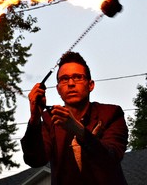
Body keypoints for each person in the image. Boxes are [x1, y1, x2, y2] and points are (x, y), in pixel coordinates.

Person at [21, 51, 128, 185]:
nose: (71, 83)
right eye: (64, 79)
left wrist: (78, 130)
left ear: (90, 85)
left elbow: (112, 157)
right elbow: (35, 160)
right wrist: (34, 119)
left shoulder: (111, 113)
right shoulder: (50, 119)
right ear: (58, 89)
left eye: (77, 77)